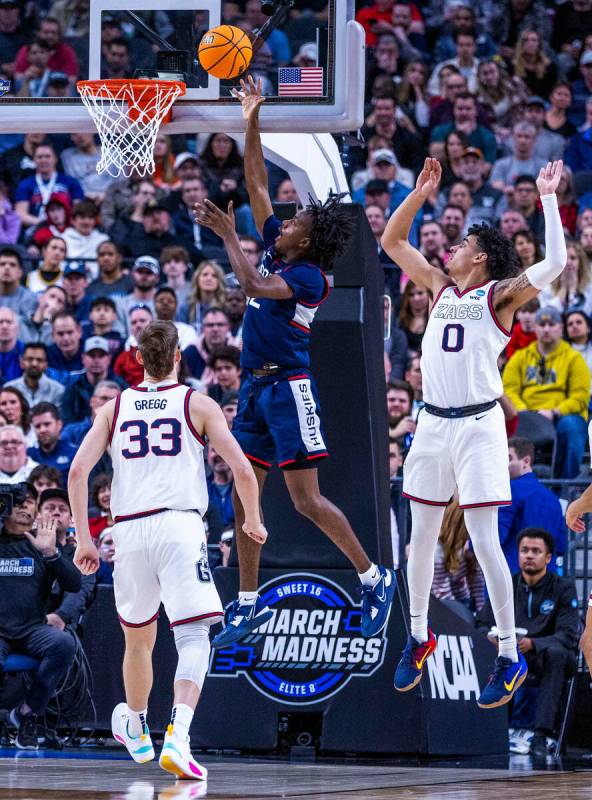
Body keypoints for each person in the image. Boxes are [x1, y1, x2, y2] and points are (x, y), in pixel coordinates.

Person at [194, 76, 396, 648]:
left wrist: (228, 236)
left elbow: (252, 280)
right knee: (243, 494)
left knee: (304, 500)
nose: (284, 220)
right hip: (256, 393)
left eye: (295, 222)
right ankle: (249, 600)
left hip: (290, 389)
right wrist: (251, 117)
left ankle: (373, 578)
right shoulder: (277, 243)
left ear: (305, 242)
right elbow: (258, 182)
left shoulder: (310, 276)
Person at [381, 156, 567, 708]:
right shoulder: (438, 286)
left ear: (479, 256)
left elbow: (556, 260)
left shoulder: (498, 297)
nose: (450, 249)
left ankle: (508, 653)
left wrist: (548, 199)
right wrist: (417, 196)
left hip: (481, 424)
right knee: (419, 539)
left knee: (486, 542)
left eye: (460, 243)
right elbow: (392, 241)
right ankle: (417, 637)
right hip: (433, 421)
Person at [68, 320, 267, 779]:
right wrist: (252, 518)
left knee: (138, 639)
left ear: (137, 358)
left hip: (129, 531)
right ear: (179, 356)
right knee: (194, 636)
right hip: (179, 525)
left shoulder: (114, 407)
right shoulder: (197, 403)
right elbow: (241, 468)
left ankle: (137, 727)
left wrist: (82, 538)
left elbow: (78, 474)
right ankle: (178, 734)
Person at [476, 528, 579, 758]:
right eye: (524, 550)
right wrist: (493, 639)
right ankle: (492, 731)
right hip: (508, 651)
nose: (529, 555)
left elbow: (568, 635)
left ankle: (541, 735)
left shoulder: (563, 588)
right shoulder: (505, 586)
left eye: (536, 551)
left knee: (557, 654)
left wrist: (533, 644)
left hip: (546, 656)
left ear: (548, 557)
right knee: (486, 653)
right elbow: (481, 623)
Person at [0, 483, 80, 749]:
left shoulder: (43, 542)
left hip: (32, 628)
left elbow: (75, 584)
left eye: (30, 501)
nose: (25, 506)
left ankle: (28, 712)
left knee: (64, 643)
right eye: (18, 500)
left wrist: (51, 553)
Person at [503, 306, 590, 479]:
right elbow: (509, 390)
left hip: (561, 416)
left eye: (552, 324)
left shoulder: (574, 358)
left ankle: (564, 487)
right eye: (542, 325)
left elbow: (580, 397)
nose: (547, 329)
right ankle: (510, 485)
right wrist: (526, 412)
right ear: (535, 328)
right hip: (525, 414)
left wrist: (554, 412)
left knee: (572, 428)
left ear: (560, 328)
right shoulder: (520, 357)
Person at [499, 438, 566, 574]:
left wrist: (471, 546)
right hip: (547, 579)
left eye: (508, 459)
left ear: (526, 461)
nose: (503, 465)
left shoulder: (509, 489)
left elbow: (497, 535)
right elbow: (560, 546)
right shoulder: (554, 498)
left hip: (512, 577)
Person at [28, 402, 78, 485]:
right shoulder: (29, 455)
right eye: (37, 426)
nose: (42, 430)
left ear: (59, 424)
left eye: (47, 424)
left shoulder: (75, 454)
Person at [5, 342, 64, 407]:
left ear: (46, 365)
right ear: (21, 362)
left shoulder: (57, 390)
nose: (34, 364)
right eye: (30, 359)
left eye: (39, 360)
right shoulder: (9, 388)